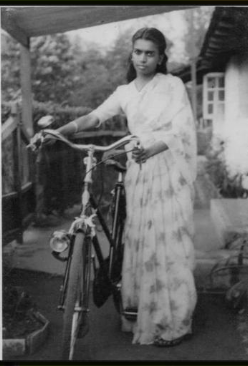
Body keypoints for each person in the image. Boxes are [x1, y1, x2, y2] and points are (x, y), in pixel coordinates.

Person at [53, 27, 197, 347]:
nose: (143, 58)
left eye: (150, 53)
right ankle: (141, 313)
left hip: (166, 170)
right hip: (139, 171)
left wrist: (153, 149)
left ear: (161, 58)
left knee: (165, 240)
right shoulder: (125, 91)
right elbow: (95, 117)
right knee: (142, 240)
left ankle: (172, 321)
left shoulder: (172, 85)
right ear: (131, 54)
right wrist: (59, 132)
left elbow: (183, 129)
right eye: (138, 52)